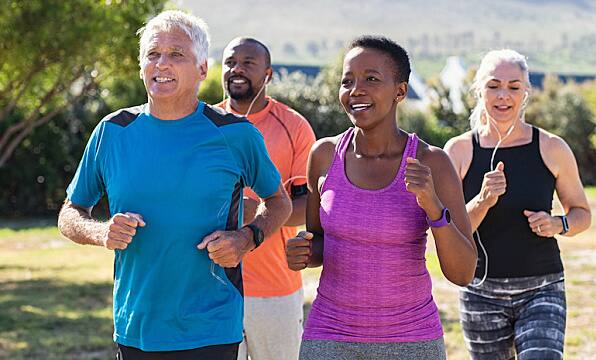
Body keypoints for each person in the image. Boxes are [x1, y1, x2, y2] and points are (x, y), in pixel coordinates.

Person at [57, 10, 292, 359]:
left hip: (212, 326)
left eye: (177, 54)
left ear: (202, 69)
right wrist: (101, 232)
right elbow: (69, 213)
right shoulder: (112, 132)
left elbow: (278, 201)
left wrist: (247, 237)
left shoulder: (235, 134)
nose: (162, 64)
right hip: (135, 326)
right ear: (141, 67)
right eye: (153, 54)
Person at [285, 36, 477, 360]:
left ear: (400, 91)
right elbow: (319, 242)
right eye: (347, 81)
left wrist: (432, 205)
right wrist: (304, 252)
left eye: (371, 79)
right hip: (329, 336)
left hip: (411, 340)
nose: (355, 90)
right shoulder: (324, 155)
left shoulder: (432, 162)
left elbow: (463, 273)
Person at [443, 49, 592, 360]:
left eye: (513, 87)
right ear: (479, 90)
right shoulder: (458, 151)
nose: (503, 96)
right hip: (480, 292)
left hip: (542, 288)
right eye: (494, 86)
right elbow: (451, 233)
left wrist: (558, 224)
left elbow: (582, 213)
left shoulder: (552, 148)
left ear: (526, 93)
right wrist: (483, 200)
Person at [215, 37, 316, 360]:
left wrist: (257, 213)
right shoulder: (202, 125)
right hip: (211, 287)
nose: (237, 70)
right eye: (230, 62)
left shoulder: (294, 127)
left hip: (275, 289)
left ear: (268, 74)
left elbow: (307, 206)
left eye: (248, 63)